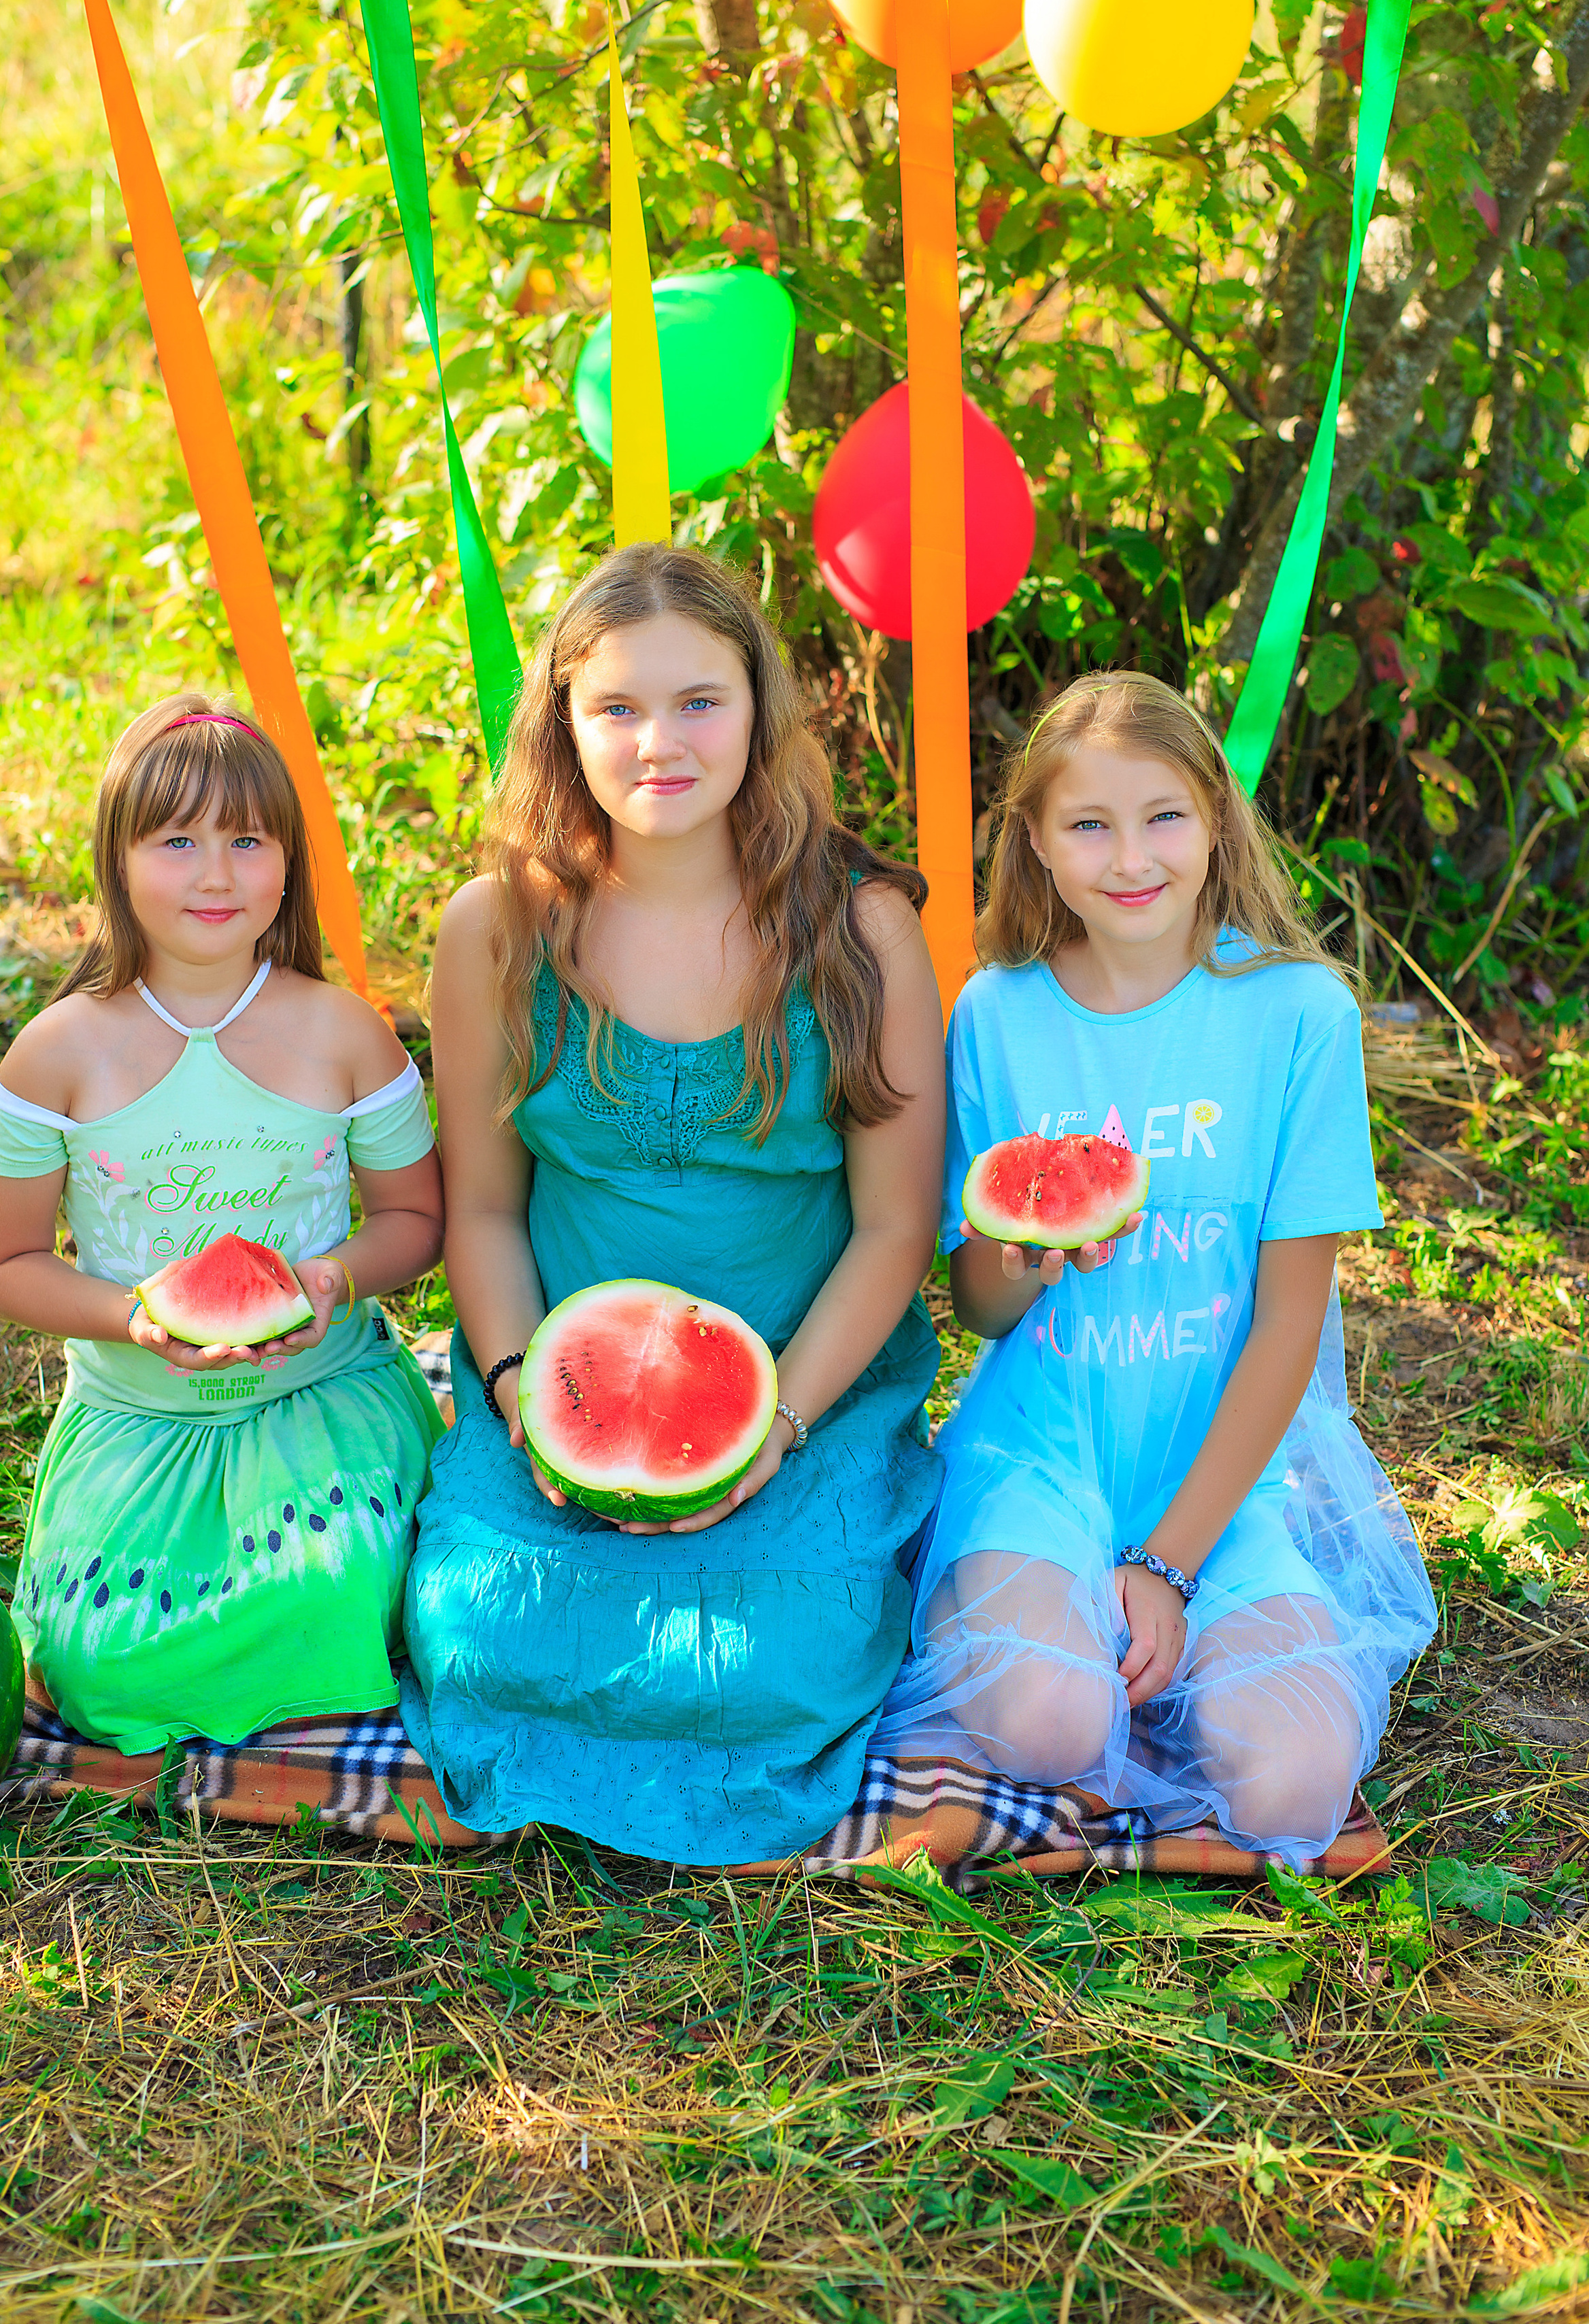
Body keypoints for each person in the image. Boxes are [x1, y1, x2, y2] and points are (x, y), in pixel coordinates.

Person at [401, 543, 945, 1864]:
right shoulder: (491, 931)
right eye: (617, 708)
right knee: (482, 1629)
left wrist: (779, 1428)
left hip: (809, 1386)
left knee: (777, 1665)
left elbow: (893, 1230)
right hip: (552, 1399)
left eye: (699, 700)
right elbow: (480, 1216)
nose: (660, 742)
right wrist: (523, 1385)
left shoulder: (861, 930)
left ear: (758, 708)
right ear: (563, 724)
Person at [872, 671, 1437, 1862]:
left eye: (1164, 816)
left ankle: (1162, 1659)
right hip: (1043, 1448)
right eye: (1089, 824)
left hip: (1224, 1472)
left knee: (1291, 1789)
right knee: (1047, 1724)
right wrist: (1022, 1256)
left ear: (1217, 820)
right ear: (1034, 838)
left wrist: (1165, 1565)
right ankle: (1081, 1674)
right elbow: (975, 1305)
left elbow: (1290, 1326)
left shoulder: (1299, 1014)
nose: (1132, 858)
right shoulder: (994, 1013)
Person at [0, 697, 446, 1753]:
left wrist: (332, 1279)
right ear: (120, 860)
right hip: (139, 1420)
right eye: (177, 840)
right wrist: (127, 1313)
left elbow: (417, 1219)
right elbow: (0, 1264)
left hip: (319, 1397)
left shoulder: (345, 1032)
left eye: (246, 840)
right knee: (98, 1656)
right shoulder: (56, 1056)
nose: (216, 874)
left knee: (338, 1585)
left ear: (288, 863)